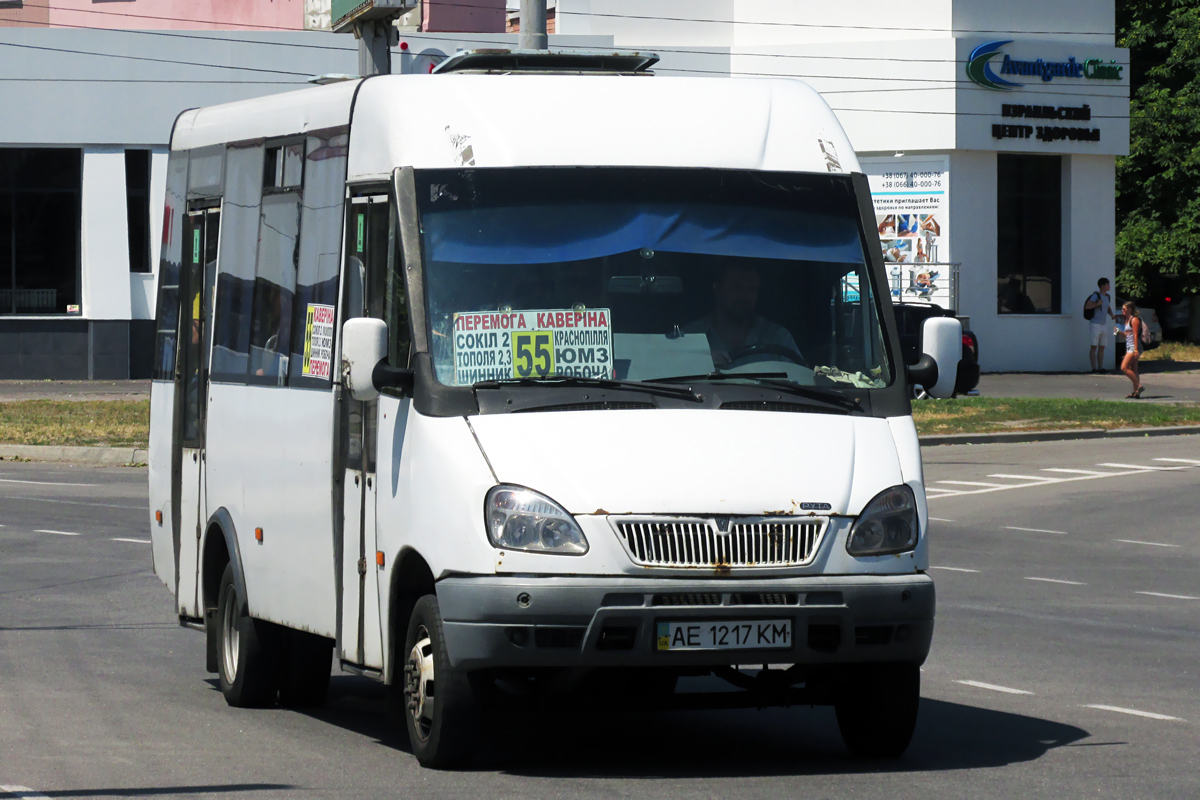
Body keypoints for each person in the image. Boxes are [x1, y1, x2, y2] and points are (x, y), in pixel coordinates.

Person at [684, 262, 801, 368]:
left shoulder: (779, 338)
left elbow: (800, 382)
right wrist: (701, 362)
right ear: (717, 289)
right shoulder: (689, 337)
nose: (744, 296)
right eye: (736, 287)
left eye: (751, 289)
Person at [1085, 277, 1114, 373]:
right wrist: (1097, 303)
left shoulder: (1107, 296)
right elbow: (1087, 306)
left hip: (1103, 324)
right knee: (1094, 346)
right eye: (1107, 284)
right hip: (1095, 324)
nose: (1109, 286)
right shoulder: (1096, 296)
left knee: (1102, 346)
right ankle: (1094, 368)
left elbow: (1108, 307)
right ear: (1102, 286)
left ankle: (1101, 367)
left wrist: (1112, 315)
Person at [1118, 300, 1144, 398]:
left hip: (1133, 347)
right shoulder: (1127, 320)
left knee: (1124, 367)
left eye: (1124, 309)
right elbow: (1128, 335)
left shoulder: (1134, 320)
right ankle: (1136, 392)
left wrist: (1136, 350)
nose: (1122, 311)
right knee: (1134, 369)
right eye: (1122, 309)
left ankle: (1138, 386)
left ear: (1130, 309)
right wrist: (1120, 333)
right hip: (1129, 346)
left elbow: (1136, 335)